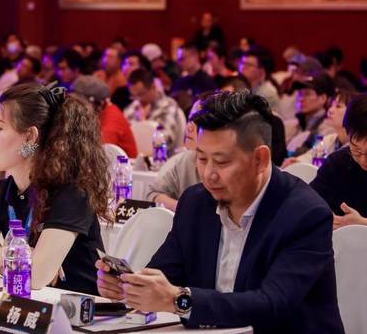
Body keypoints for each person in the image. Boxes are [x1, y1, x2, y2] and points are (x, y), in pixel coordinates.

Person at [96, 92, 344, 333]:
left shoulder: (305, 214)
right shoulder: (196, 202)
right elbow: (165, 273)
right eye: (201, 159)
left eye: (222, 162)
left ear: (260, 159)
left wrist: (179, 300)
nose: (208, 174)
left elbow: (271, 305)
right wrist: (131, 286)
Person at [0, 83, 112, 295]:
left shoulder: (71, 193)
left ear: (30, 137)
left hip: (77, 309)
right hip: (30, 304)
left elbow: (35, 276)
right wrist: (19, 254)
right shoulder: (1, 191)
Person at [311, 94, 367, 229]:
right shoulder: (338, 163)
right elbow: (307, 202)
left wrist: (362, 224)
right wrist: (322, 217)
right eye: (356, 150)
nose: (363, 160)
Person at [73, 76, 137, 158]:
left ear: (97, 103)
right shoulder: (96, 112)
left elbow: (98, 151)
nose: (77, 106)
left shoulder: (112, 118)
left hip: (124, 164)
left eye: (81, 102)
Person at [124, 69, 186, 154]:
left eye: (141, 94)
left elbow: (167, 140)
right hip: (134, 157)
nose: (138, 99)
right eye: (134, 96)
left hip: (163, 158)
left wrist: (143, 123)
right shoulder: (131, 109)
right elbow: (124, 139)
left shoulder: (168, 106)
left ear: (153, 87)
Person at [287, 72, 335, 156]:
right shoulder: (294, 124)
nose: (301, 99)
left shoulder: (328, 128)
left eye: (307, 94)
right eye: (300, 94)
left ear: (323, 98)